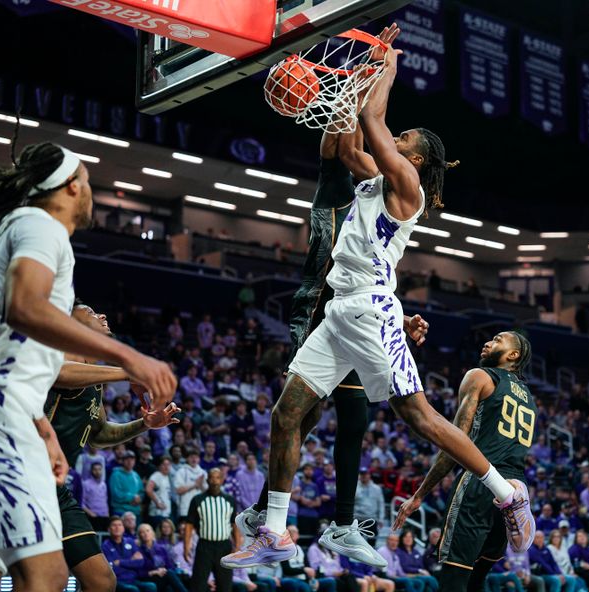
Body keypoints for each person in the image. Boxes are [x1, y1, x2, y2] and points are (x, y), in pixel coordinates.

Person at [223, 36, 531, 570]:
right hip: (339, 312)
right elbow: (347, 147)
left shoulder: (405, 183)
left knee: (419, 416)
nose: (398, 136)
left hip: (370, 309)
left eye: (404, 137)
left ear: (416, 157)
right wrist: (345, 86)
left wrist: (382, 67)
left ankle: (508, 495)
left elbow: (372, 120)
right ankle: (274, 531)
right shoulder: (374, 180)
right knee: (286, 413)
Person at [0, 142, 175, 592]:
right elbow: (23, 307)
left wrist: (43, 428)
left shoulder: (23, 228)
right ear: (68, 186)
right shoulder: (42, 227)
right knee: (46, 574)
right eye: (86, 180)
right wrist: (129, 358)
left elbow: (17, 356)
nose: (90, 190)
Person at [46, 302, 181, 592]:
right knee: (41, 578)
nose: (103, 314)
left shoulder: (94, 379)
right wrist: (127, 371)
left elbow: (100, 434)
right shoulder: (60, 354)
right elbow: (59, 373)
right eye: (92, 312)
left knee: (102, 581)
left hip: (57, 491)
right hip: (26, 478)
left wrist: (146, 424)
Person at [394, 332, 537, 591]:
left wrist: (419, 494)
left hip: (480, 483)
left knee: (454, 579)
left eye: (497, 339)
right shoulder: (528, 397)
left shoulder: (480, 376)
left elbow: (455, 442)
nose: (487, 342)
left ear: (513, 355)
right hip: (513, 491)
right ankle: (517, 502)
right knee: (476, 581)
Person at [185, 468, 240, 592]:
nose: (214, 481)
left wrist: (237, 546)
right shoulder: (197, 500)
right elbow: (189, 525)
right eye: (212, 478)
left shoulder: (230, 500)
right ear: (207, 480)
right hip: (205, 546)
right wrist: (186, 547)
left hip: (224, 547)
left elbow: (235, 524)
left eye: (217, 478)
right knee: (198, 584)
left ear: (222, 480)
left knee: (225, 585)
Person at [102, 516, 156, 592]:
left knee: (151, 586)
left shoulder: (130, 541)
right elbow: (112, 569)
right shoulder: (105, 546)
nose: (117, 527)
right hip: (118, 581)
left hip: (133, 579)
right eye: (114, 525)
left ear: (123, 528)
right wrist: (131, 561)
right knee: (133, 590)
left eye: (120, 525)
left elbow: (140, 562)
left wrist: (120, 562)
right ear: (109, 529)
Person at [137, 523, 189, 592]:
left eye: (147, 531)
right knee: (169, 575)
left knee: (170, 586)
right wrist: (154, 572)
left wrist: (163, 570)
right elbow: (139, 572)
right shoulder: (138, 551)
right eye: (142, 532)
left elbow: (170, 566)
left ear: (152, 533)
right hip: (149, 578)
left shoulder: (161, 549)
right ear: (140, 536)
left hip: (163, 577)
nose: (146, 534)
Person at [175, 448, 208, 520]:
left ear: (199, 459)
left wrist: (201, 485)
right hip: (185, 510)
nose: (194, 459)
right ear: (187, 459)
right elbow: (178, 490)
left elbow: (207, 492)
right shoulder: (181, 471)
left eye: (196, 457)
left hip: (200, 509)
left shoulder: (203, 473)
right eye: (191, 457)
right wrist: (195, 484)